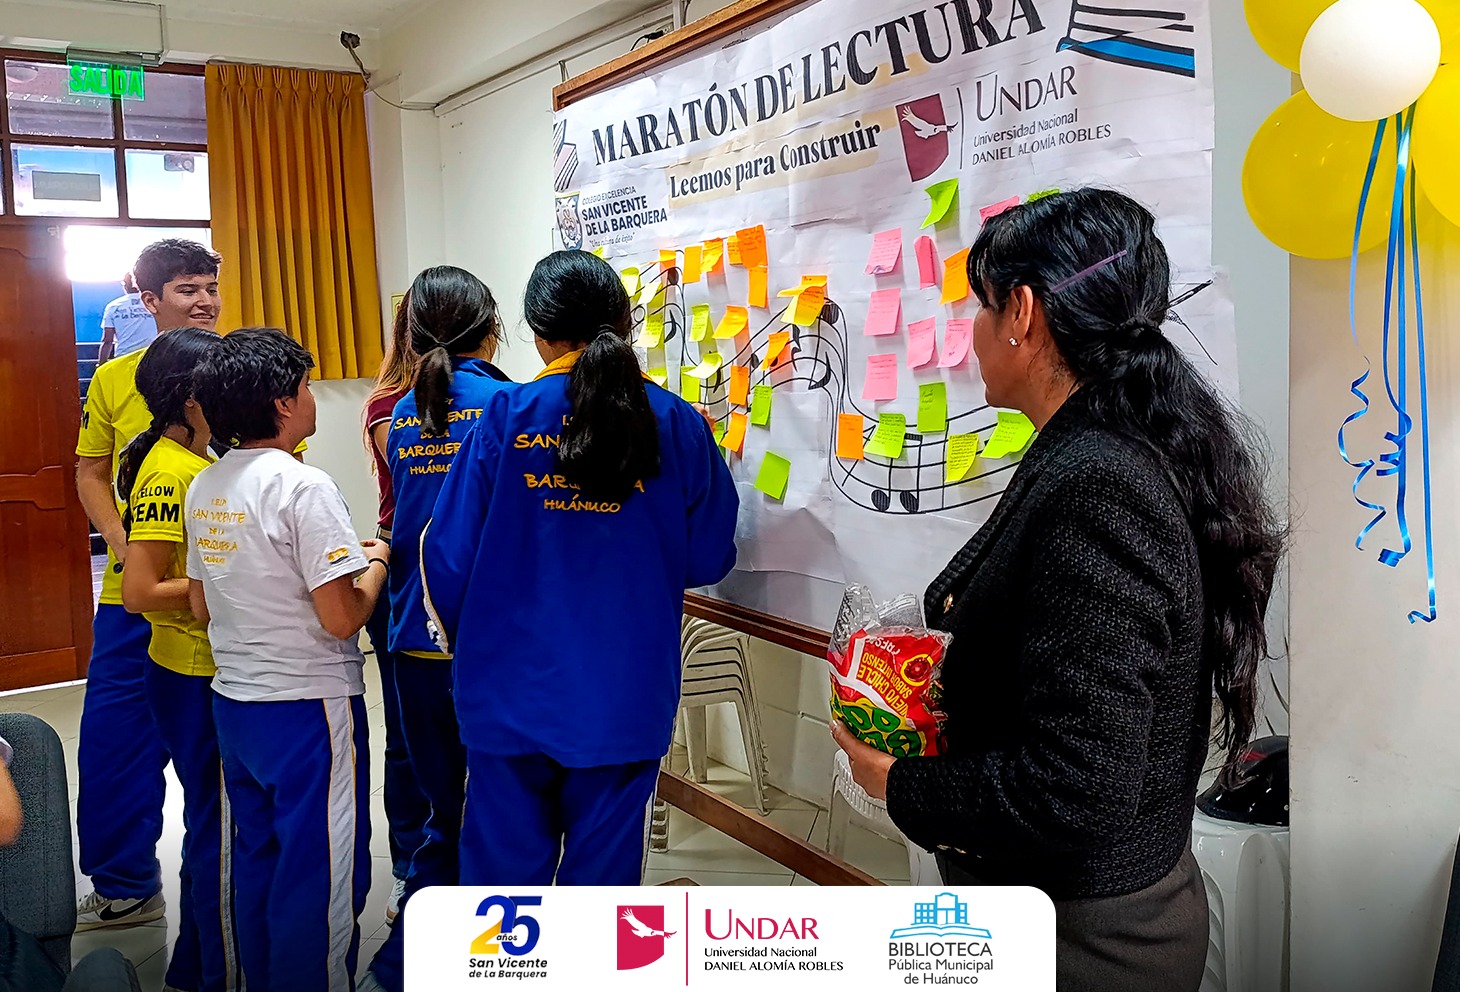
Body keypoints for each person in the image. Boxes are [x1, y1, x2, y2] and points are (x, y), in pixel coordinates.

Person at [831, 189, 1284, 992]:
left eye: (981, 307)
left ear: (1023, 313)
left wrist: (897, 784)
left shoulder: (1099, 483)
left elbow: (1079, 786)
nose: (972, 332)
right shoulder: (1100, 450)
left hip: (1082, 941)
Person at [421, 250, 739, 885]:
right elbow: (709, 555)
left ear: (540, 336)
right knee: (601, 887)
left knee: (502, 891)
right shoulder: (677, 423)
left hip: (506, 691)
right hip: (623, 695)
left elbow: (447, 556)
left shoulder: (506, 417)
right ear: (625, 322)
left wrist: (471, 650)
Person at [188, 329, 384, 992]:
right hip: (308, 706)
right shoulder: (304, 486)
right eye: (304, 387)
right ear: (281, 403)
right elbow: (342, 617)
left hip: (236, 705)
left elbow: (202, 605)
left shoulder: (206, 484)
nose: (311, 398)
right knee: (320, 871)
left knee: (259, 857)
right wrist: (377, 564)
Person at [73, 238, 222, 939]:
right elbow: (90, 472)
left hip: (215, 598)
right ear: (149, 299)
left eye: (210, 287)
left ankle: (223, 890)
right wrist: (124, 541)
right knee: (113, 741)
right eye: (189, 289)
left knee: (217, 754)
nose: (205, 301)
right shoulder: (114, 379)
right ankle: (126, 885)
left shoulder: (242, 369)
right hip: (131, 598)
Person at [117, 328, 240, 992]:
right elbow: (139, 591)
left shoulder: (197, 459)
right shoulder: (171, 472)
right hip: (192, 673)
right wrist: (222, 581)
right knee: (215, 828)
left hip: (199, 666)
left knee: (216, 822)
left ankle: (200, 962)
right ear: (192, 397)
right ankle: (204, 971)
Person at [361, 292, 429, 926]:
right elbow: (422, 487)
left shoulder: (491, 397)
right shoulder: (391, 405)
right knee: (409, 734)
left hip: (471, 574)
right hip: (406, 569)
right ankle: (410, 864)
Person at [98, 272, 158, 364]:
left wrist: (101, 365)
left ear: (124, 286)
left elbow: (107, 340)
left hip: (124, 359)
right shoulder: (154, 304)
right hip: (151, 358)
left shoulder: (113, 306)